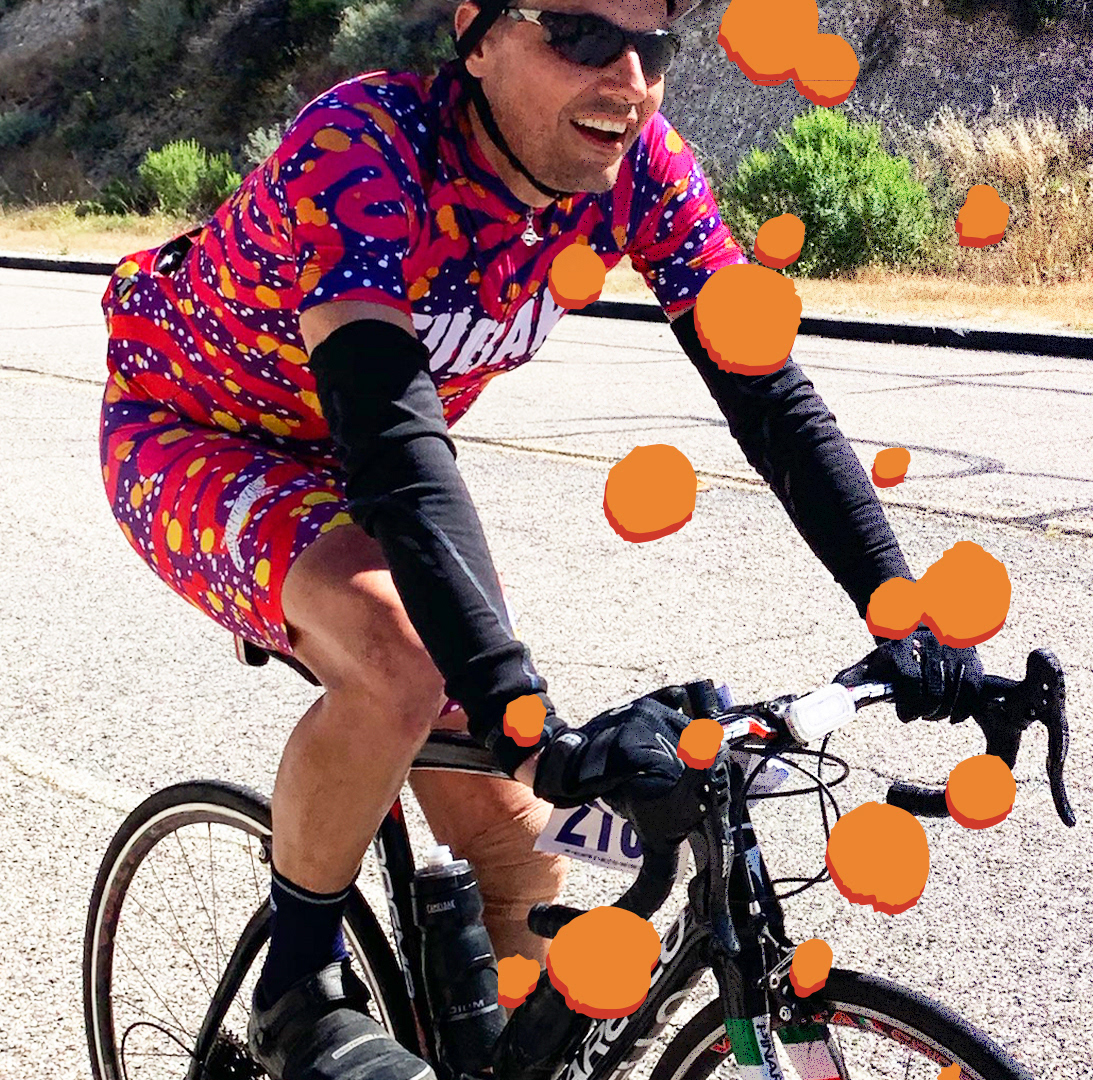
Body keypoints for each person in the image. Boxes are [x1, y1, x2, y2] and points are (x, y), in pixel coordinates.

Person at [96, 1, 982, 1076]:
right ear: (477, 35)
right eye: (581, 34)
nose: (629, 79)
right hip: (198, 435)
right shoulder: (363, 148)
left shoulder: (640, 168)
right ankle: (297, 985)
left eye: (654, 47)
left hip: (370, 471)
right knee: (405, 662)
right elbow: (394, 444)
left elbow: (769, 399)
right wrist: (528, 725)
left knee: (519, 854)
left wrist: (901, 607)